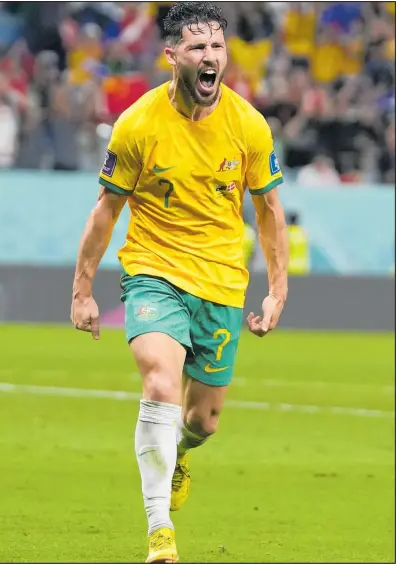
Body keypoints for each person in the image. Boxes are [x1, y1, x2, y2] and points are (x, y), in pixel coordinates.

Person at [71, 3, 289, 562]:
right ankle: (159, 532)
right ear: (172, 56)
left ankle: (181, 454)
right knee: (161, 387)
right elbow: (105, 210)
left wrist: (277, 288)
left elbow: (268, 210)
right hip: (154, 271)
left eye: (217, 47)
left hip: (220, 282)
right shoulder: (138, 124)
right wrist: (83, 289)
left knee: (202, 420)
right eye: (197, 48)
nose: (210, 57)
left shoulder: (247, 125)